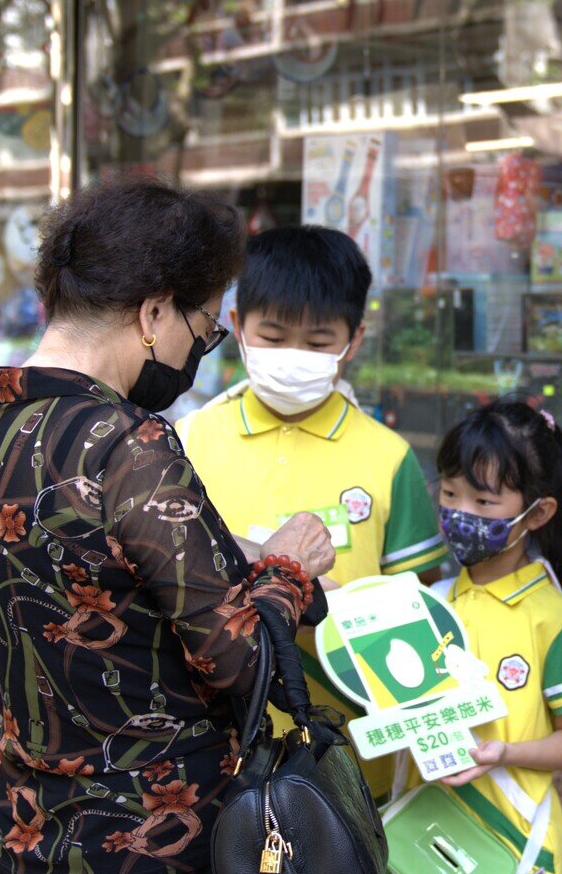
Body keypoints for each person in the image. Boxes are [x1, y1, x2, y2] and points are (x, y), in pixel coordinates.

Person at [0, 178, 335, 874]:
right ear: (153, 314)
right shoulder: (128, 446)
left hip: (30, 851)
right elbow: (240, 663)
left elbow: (76, 581)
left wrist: (223, 560)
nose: (199, 349)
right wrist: (287, 569)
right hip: (148, 866)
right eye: (203, 327)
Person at [176, 225, 448, 805]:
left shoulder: (388, 457)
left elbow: (418, 601)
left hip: (345, 751)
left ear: (355, 339)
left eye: (318, 341)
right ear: (237, 324)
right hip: (211, 746)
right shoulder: (187, 440)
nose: (294, 358)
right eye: (272, 336)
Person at [390, 399, 562, 874]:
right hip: (426, 860)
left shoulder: (553, 620)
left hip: (516, 867)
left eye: (484, 501)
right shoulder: (431, 604)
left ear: (536, 513)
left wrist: (498, 752)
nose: (460, 511)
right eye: (451, 493)